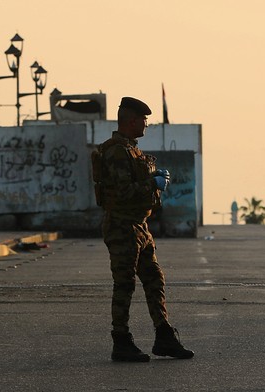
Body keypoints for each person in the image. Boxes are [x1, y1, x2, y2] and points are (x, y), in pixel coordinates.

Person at [91, 96, 194, 362]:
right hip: (122, 225)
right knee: (124, 283)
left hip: (139, 225)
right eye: (144, 120)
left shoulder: (132, 150)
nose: (147, 124)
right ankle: (121, 340)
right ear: (132, 121)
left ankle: (164, 336)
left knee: (154, 278)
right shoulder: (115, 151)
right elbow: (123, 192)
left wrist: (153, 180)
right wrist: (153, 184)